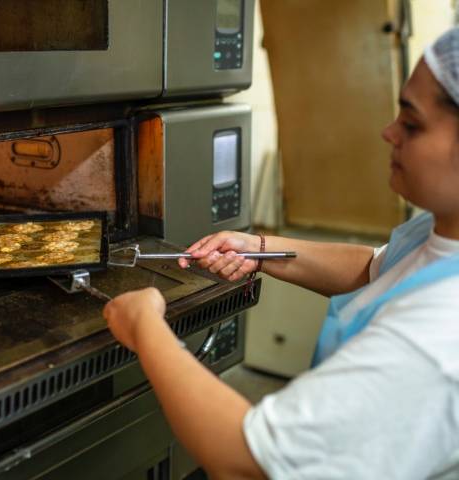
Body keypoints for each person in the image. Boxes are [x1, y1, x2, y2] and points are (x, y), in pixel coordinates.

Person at [103, 27, 459, 479]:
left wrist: (145, 326)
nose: (389, 132)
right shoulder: (439, 228)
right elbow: (379, 268)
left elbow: (244, 461)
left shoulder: (439, 338)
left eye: (412, 123)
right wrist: (261, 249)